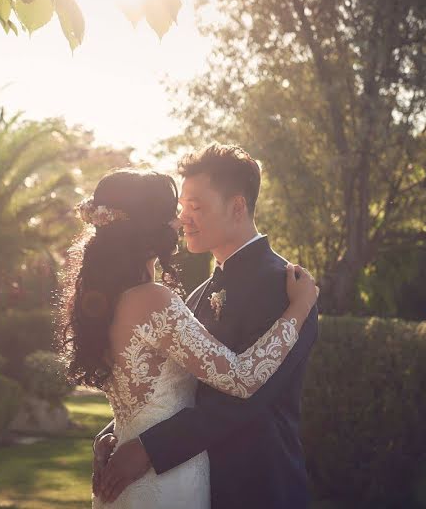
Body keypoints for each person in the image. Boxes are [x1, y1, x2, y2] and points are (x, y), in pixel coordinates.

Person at [58, 148, 319, 508]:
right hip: (183, 483)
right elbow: (167, 384)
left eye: (195, 207)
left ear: (237, 207)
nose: (183, 220)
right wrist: (117, 433)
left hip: (256, 487)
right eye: (180, 208)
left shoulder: (286, 288)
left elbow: (249, 397)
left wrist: (149, 446)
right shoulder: (192, 294)